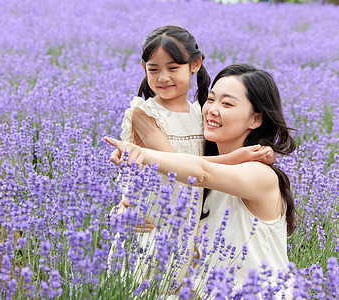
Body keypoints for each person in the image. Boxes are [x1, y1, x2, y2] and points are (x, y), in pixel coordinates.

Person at [106, 63, 296, 297]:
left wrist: (141, 153)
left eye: (226, 104)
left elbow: (202, 172)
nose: (212, 110)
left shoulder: (260, 175)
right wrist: (126, 216)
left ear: (256, 119)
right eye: (211, 99)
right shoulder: (200, 176)